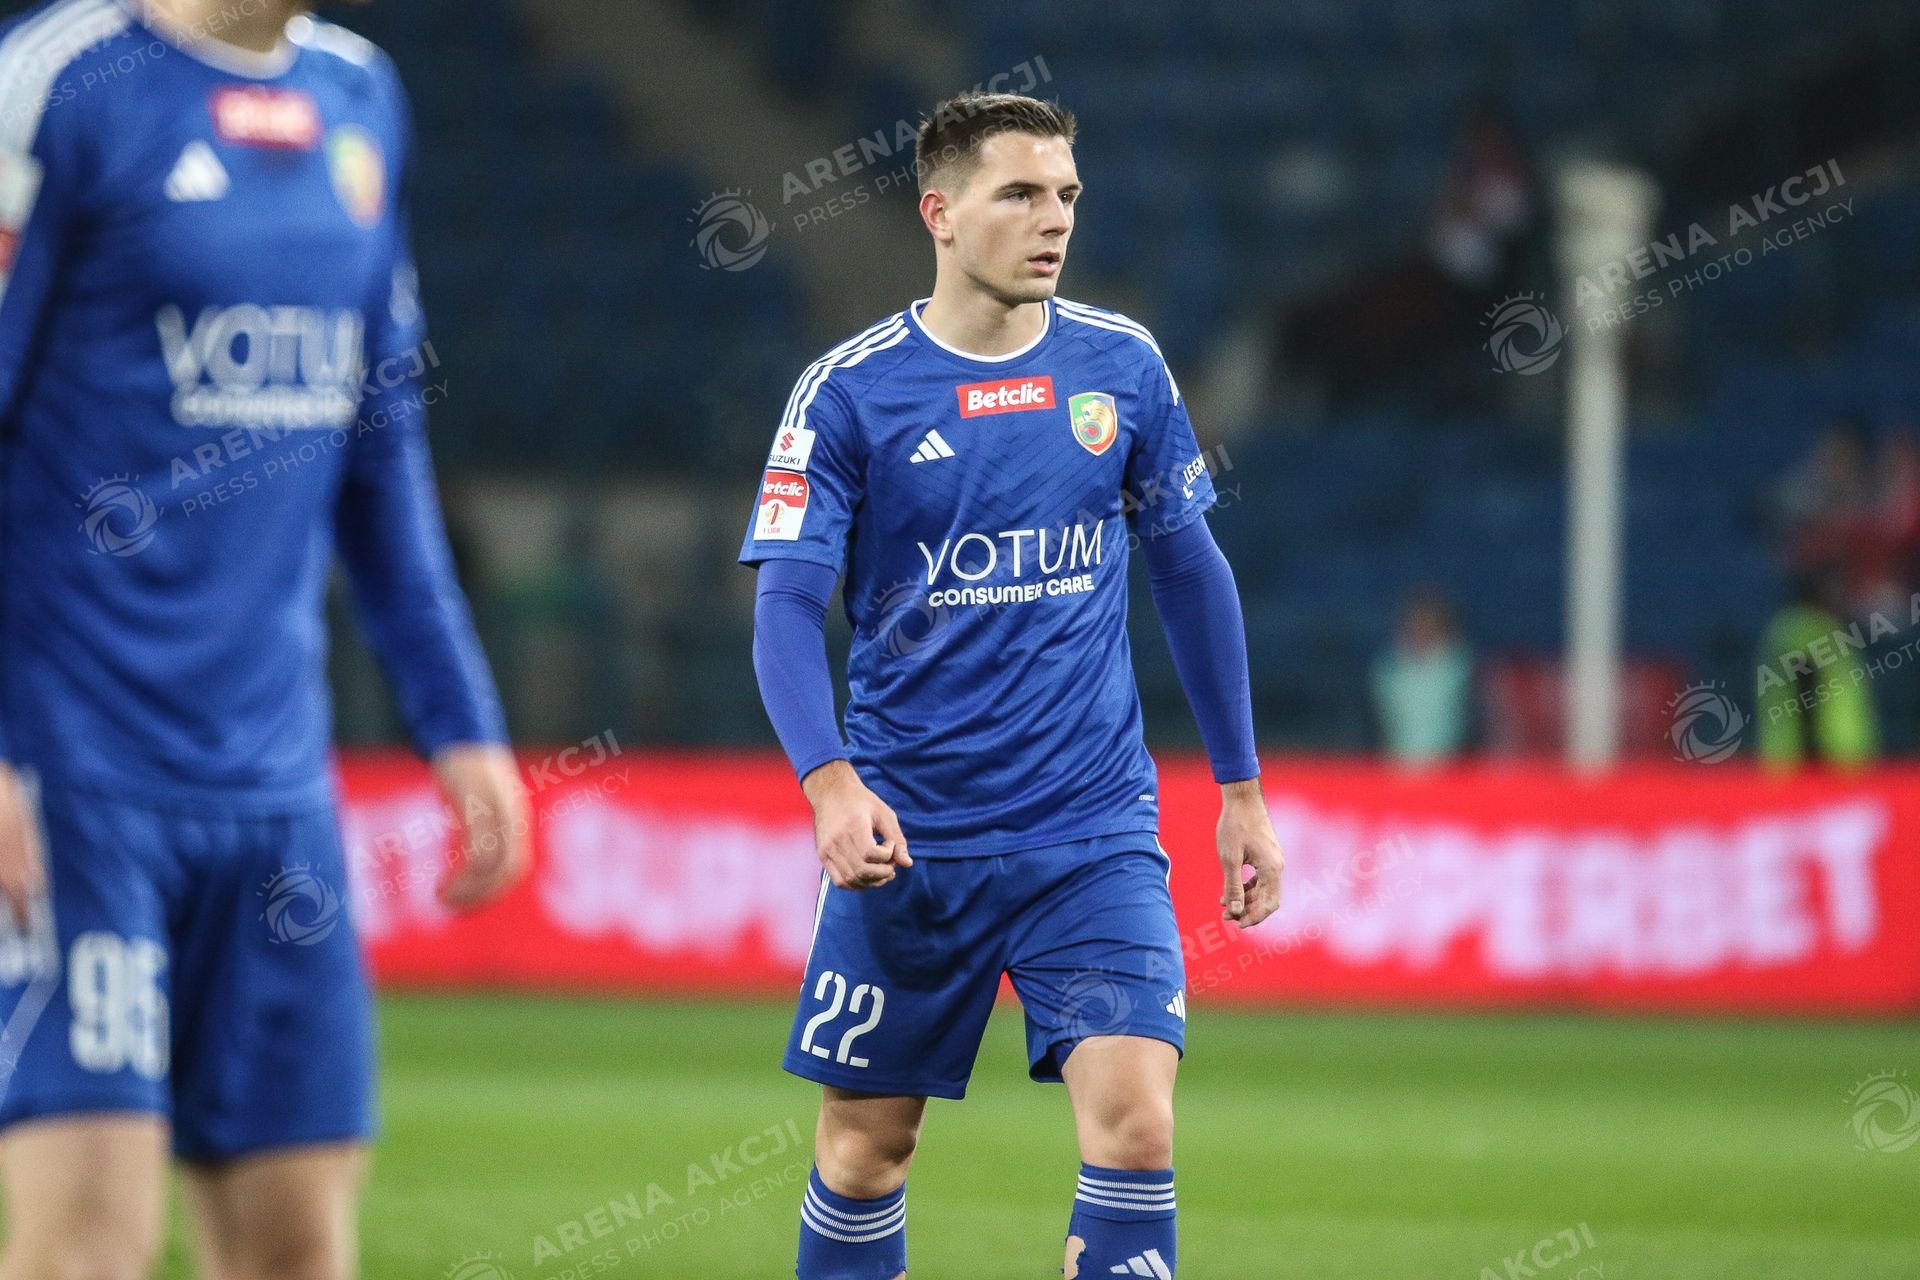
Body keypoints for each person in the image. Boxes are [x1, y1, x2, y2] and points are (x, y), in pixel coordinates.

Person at [0, 2, 528, 1277]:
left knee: (298, 1251)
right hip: (74, 783)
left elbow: (381, 445)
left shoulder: (361, 94)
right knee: (89, 1246)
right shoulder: (59, 84)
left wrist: (460, 723)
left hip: (276, 795)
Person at [741, 92, 1283, 1280]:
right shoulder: (849, 392)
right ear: (939, 213)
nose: (1056, 219)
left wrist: (1240, 788)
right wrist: (830, 783)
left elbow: (1189, 568)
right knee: (867, 1148)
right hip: (910, 839)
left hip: (1091, 832)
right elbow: (784, 606)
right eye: (1022, 193)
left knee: (1137, 1123)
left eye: (1068, 195)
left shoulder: (1122, 365)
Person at [1372, 590, 1474, 766]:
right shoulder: (1386, 672)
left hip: (1455, 771)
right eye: (1415, 624)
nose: (1420, 630)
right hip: (1392, 771)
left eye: (1428, 623)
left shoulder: (1466, 672)